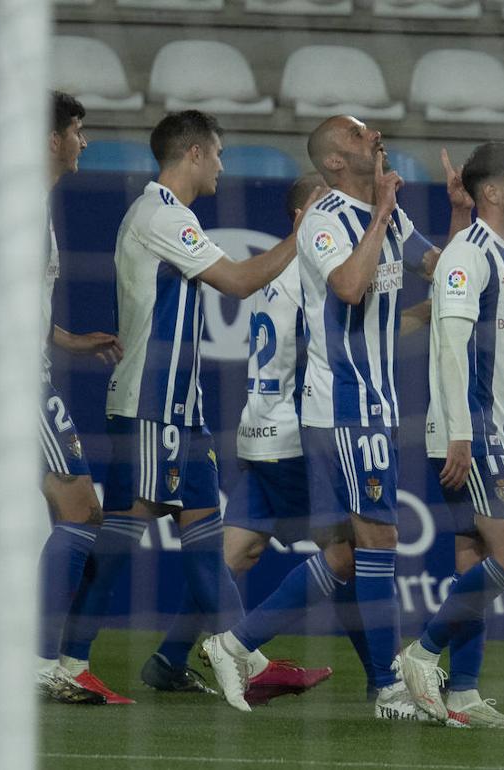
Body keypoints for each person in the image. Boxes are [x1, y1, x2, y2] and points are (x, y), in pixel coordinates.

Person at [203, 115, 472, 719]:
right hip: (342, 403)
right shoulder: (324, 222)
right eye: (356, 134)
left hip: (375, 403)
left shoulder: (390, 217)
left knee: (352, 553)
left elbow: (443, 269)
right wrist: (379, 212)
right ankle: (385, 688)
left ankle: (237, 644)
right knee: (378, 542)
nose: (372, 133)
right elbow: (350, 286)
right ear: (332, 162)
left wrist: (458, 215)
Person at [55, 111, 321, 702]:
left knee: (202, 534)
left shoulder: (167, 216)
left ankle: (236, 657)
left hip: (175, 405)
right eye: (220, 154)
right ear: (195, 153)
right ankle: (68, 658)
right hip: (155, 402)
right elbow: (238, 281)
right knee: (125, 535)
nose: (224, 166)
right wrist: (301, 237)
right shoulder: (164, 216)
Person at [0, 91, 125, 704]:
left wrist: (67, 340)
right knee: (82, 511)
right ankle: (43, 662)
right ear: (52, 140)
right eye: (78, 131)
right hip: (11, 385)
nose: (83, 142)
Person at [138, 172, 355, 702]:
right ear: (309, 214)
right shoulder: (312, 274)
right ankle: (378, 678)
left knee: (234, 553)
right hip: (293, 437)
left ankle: (169, 658)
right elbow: (329, 356)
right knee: (350, 550)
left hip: (256, 430)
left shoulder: (270, 274)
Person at [398, 141, 504, 729]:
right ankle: (419, 655)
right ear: (491, 192)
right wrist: (464, 435)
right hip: (471, 438)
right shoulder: (467, 256)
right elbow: (447, 345)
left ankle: (464, 698)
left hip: (496, 434)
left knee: (472, 559)